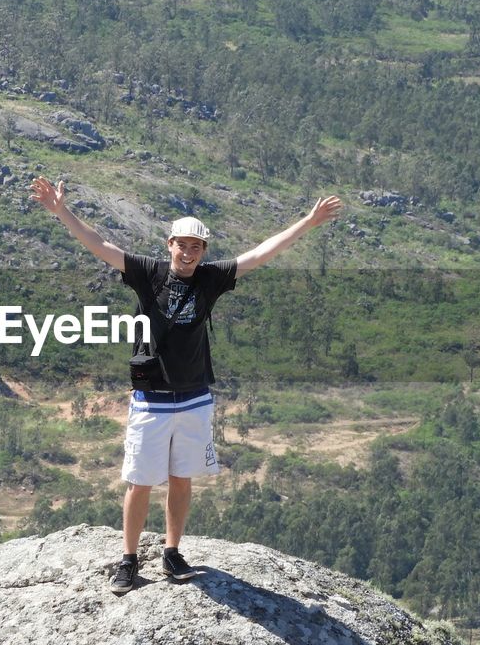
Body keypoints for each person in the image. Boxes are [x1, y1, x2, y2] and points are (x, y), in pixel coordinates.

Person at [30, 177, 342, 592]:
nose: (189, 252)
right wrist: (62, 213)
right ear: (169, 245)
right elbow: (99, 245)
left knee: (181, 478)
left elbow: (261, 253)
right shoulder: (148, 273)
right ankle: (128, 559)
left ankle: (171, 553)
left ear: (203, 251)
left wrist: (307, 222)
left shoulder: (210, 279)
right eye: (182, 244)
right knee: (140, 481)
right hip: (152, 398)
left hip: (194, 397)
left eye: (196, 247)